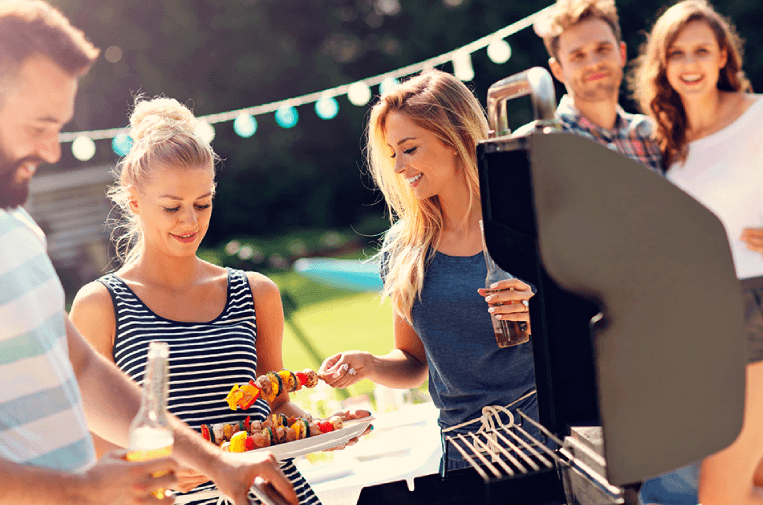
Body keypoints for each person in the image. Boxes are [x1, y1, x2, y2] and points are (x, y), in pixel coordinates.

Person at [0, 2, 298, 504]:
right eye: (38, 126)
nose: (52, 151)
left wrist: (215, 462)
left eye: (60, 127)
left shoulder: (16, 225)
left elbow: (85, 370)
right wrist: (80, 490)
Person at [67, 96, 365, 504]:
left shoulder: (255, 292)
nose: (190, 221)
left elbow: (276, 405)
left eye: (202, 204)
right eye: (172, 207)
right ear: (134, 201)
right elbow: (93, 435)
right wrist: (155, 468)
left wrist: (324, 428)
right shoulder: (100, 305)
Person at [318, 69, 539, 471]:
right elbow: (414, 363)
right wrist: (369, 364)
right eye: (392, 153)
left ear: (453, 139)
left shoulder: (529, 223)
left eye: (410, 148)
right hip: (464, 457)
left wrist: (540, 313)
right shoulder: (403, 250)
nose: (399, 166)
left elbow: (593, 328)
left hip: (548, 442)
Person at [630, 1, 763, 503]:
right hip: (705, 327)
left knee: (719, 494)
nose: (690, 65)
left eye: (702, 51)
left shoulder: (760, 116)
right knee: (754, 484)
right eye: (677, 53)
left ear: (724, 56)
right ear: (662, 65)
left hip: (760, 314)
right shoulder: (667, 141)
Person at [524, 0, 663, 173]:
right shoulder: (531, 145)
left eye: (602, 49)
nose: (594, 63)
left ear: (622, 53)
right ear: (558, 70)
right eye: (578, 56)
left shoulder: (652, 136)